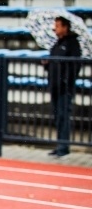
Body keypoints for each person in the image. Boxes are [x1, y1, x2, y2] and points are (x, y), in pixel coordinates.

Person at [44, 16, 81, 158]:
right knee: (57, 116)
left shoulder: (72, 44)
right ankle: (60, 144)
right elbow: (54, 62)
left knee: (63, 115)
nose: (55, 29)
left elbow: (75, 65)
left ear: (65, 27)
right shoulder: (57, 44)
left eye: (58, 26)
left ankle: (63, 146)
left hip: (64, 87)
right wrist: (47, 64)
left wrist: (66, 80)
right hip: (54, 86)